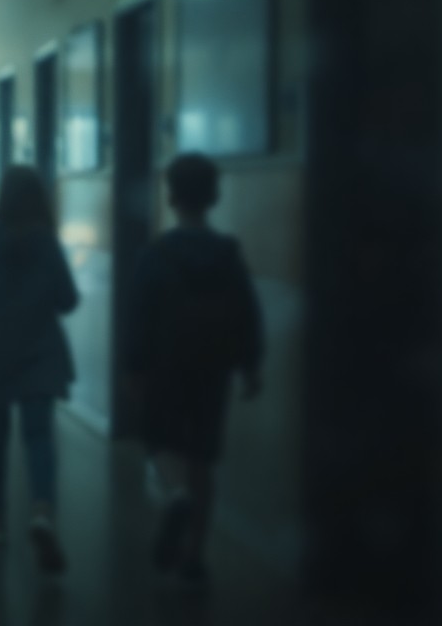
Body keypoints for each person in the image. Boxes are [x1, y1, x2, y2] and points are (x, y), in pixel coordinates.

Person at [125, 153, 264, 588]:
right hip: (214, 367)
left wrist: (133, 368)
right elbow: (247, 313)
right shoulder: (228, 254)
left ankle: (174, 494)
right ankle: (195, 557)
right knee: (203, 457)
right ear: (214, 196)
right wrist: (250, 365)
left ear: (170, 197)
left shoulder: (155, 255)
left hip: (167, 365)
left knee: (162, 445)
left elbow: (138, 317)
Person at [0, 165, 79, 575]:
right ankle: (42, 508)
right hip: (41, 351)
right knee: (39, 435)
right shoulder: (46, 242)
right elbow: (68, 298)